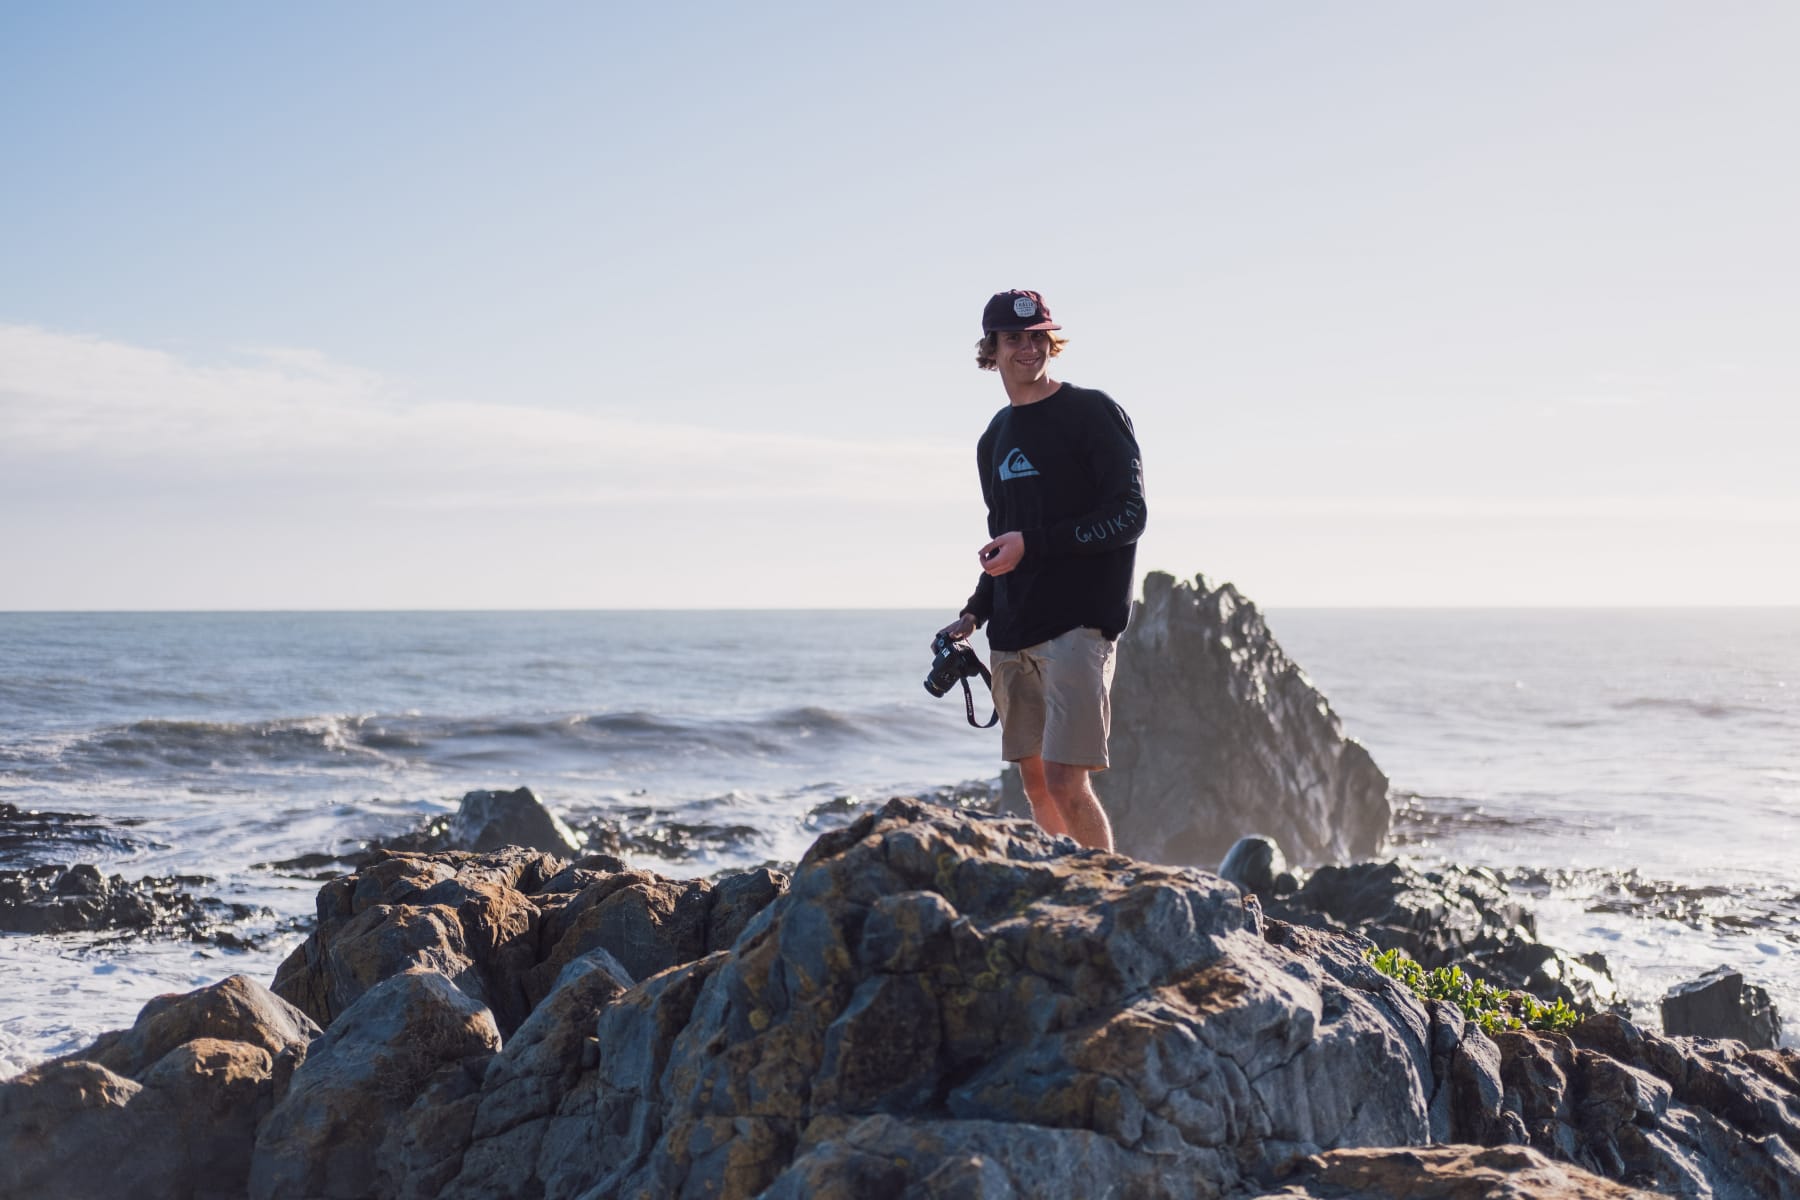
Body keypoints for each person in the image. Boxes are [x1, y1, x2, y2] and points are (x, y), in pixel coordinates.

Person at [936, 289, 1146, 852]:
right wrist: (974, 613)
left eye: (1037, 337)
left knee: (1065, 781)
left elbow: (1130, 515)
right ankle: (1064, 882)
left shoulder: (1092, 412)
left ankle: (1105, 888)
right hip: (1012, 632)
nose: (1028, 348)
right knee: (1035, 785)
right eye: (1013, 339)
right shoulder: (994, 438)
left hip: (1078, 626)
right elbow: (1004, 538)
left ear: (1051, 341)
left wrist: (1034, 544)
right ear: (991, 349)